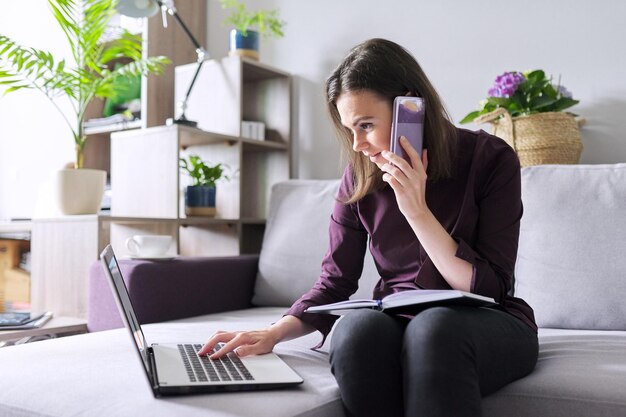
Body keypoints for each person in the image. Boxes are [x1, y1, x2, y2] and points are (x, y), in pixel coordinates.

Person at [199, 38, 538, 417]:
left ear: (411, 106)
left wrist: (417, 212)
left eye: (366, 125)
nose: (358, 144)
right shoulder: (359, 178)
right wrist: (274, 333)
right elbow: (335, 282)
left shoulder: (491, 160)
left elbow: (490, 288)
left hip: (486, 323)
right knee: (356, 331)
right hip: (404, 322)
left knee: (435, 329)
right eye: (350, 130)